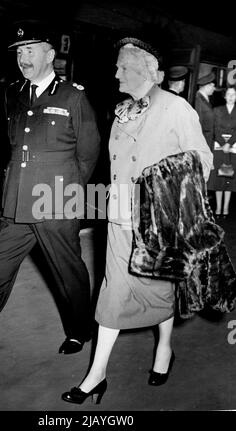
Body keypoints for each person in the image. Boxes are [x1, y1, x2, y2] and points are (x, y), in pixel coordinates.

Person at [0, 23, 100, 375]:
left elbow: (88, 154)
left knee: (68, 274)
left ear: (50, 54)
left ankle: (80, 330)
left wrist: (65, 194)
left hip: (54, 201)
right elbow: (15, 143)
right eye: (19, 52)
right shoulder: (14, 93)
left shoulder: (73, 96)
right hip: (15, 203)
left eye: (30, 50)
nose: (23, 57)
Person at [62, 35, 213, 404]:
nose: (115, 73)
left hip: (157, 220)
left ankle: (163, 350)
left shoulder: (177, 109)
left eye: (122, 67)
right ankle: (96, 375)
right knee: (113, 292)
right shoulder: (122, 111)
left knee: (159, 290)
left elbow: (202, 163)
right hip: (119, 218)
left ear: (147, 71)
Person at [208, 86, 236, 217]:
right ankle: (218, 208)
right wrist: (223, 143)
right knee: (219, 178)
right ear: (224, 96)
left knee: (229, 178)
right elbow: (214, 128)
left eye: (234, 94)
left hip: (233, 148)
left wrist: (229, 144)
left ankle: (226, 208)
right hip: (219, 147)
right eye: (229, 94)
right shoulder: (217, 110)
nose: (231, 97)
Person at [195, 71, 216, 149]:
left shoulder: (204, 99)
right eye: (213, 86)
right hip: (202, 143)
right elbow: (198, 125)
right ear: (206, 86)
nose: (214, 88)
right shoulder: (198, 100)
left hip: (207, 141)